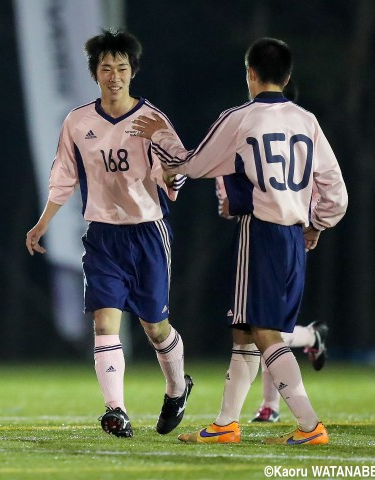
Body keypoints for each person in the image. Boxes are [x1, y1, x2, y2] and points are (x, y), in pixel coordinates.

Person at [133, 37, 347, 445]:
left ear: (250, 73)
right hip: (294, 238)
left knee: (263, 333)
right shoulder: (307, 120)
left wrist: (163, 145)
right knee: (245, 329)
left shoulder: (241, 117)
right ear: (287, 76)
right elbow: (335, 191)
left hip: (262, 233)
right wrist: (318, 223)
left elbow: (196, 163)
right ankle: (226, 423)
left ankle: (308, 424)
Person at [25, 29, 193, 438]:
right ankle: (115, 410)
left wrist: (173, 174)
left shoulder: (152, 120)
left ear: (133, 72)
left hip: (148, 234)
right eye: (105, 68)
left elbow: (179, 169)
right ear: (94, 74)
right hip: (102, 236)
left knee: (155, 328)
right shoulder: (78, 121)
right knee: (104, 324)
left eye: (121, 68)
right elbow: (64, 175)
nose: (113, 76)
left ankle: (176, 388)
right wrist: (43, 221)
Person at [216, 176, 329, 423]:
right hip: (290, 235)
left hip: (267, 237)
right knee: (266, 328)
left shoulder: (240, 144)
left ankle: (301, 420)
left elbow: (228, 206)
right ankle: (310, 337)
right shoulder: (301, 140)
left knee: (261, 329)